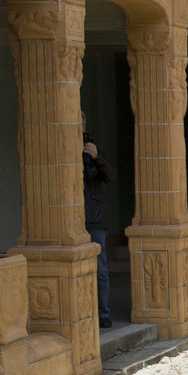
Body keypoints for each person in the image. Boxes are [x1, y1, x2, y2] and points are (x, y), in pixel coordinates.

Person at [80, 113, 113, 330]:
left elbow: (109, 176)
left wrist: (96, 158)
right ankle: (81, 314)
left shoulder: (92, 149)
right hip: (70, 221)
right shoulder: (60, 146)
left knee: (100, 270)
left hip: (94, 219)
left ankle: (103, 314)